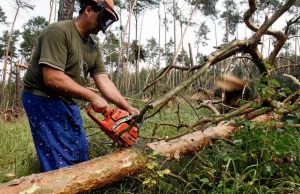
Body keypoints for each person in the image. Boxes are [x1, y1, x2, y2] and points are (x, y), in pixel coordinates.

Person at [22, 0, 139, 172]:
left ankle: (79, 179)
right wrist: (92, 96)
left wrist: (127, 107)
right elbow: (52, 78)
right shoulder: (58, 32)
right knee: (60, 154)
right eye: (104, 17)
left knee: (79, 147)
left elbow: (104, 80)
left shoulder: (92, 47)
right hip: (41, 97)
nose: (103, 25)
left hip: (66, 98)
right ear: (89, 10)